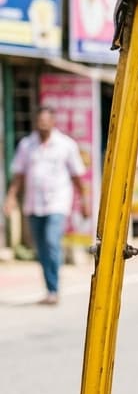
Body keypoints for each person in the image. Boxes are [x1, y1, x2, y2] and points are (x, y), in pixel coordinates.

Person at [4, 106, 89, 305]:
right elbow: (18, 175)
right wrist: (11, 198)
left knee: (52, 242)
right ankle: (50, 287)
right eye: (39, 122)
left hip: (57, 203)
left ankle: (54, 288)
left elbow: (77, 177)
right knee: (41, 248)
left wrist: (84, 201)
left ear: (53, 122)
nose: (42, 125)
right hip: (34, 204)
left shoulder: (66, 145)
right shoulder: (27, 145)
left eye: (46, 122)